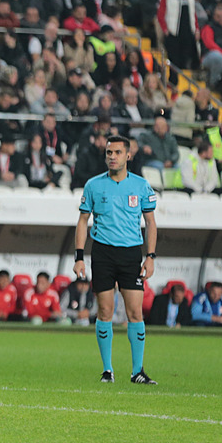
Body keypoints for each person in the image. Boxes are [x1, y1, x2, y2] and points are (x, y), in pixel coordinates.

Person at [74, 135, 159, 384]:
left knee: (135, 312)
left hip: (131, 254)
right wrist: (79, 257)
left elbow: (150, 223)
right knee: (105, 310)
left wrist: (150, 257)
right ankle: (108, 370)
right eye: (109, 153)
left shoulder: (142, 186)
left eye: (117, 153)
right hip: (102, 253)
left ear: (128, 156)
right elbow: (82, 220)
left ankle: (137, 372)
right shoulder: (93, 185)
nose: (112, 157)